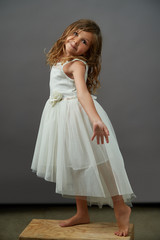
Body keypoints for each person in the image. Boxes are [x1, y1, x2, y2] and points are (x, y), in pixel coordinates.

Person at [31, 19, 136, 237]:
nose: (76, 41)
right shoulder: (60, 59)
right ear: (68, 32)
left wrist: (96, 120)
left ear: (89, 51)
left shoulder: (77, 64)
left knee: (102, 164)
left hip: (79, 116)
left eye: (84, 41)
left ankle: (121, 207)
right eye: (76, 34)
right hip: (61, 119)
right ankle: (82, 213)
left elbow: (82, 93)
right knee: (74, 163)